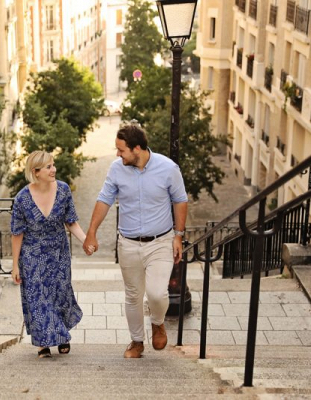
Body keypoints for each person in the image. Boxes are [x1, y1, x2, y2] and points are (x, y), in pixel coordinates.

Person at [83, 122, 188, 358]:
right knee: (132, 294)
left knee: (157, 293)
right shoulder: (116, 169)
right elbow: (104, 199)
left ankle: (158, 323)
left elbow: (180, 200)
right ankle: (137, 341)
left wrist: (178, 236)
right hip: (128, 242)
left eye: (121, 150)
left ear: (137, 149)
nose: (117, 155)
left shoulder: (168, 168)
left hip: (160, 241)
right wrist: (92, 232)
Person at [11, 150, 91, 358]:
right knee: (38, 298)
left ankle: (62, 335)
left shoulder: (63, 190)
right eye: (48, 167)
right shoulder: (22, 198)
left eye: (53, 165)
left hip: (58, 253)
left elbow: (71, 221)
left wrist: (86, 241)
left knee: (60, 293)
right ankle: (42, 343)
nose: (53, 169)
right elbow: (17, 233)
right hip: (32, 255)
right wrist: (15, 265)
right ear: (35, 172)